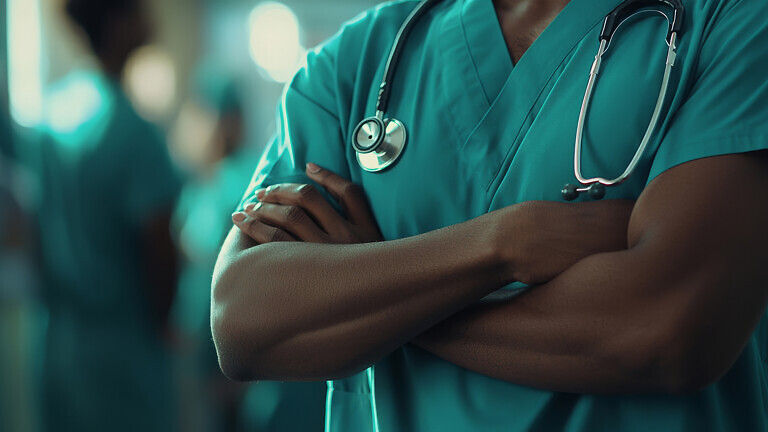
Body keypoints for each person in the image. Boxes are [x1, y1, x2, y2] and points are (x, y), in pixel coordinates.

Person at [212, 0, 768, 431]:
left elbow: (667, 330)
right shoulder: (349, 70)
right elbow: (243, 322)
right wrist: (506, 242)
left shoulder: (732, 23)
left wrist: (370, 289)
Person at [37, 0, 182, 431]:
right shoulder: (133, 132)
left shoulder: (51, 118)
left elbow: (36, 232)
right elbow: (158, 249)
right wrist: (165, 326)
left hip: (58, 343)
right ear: (118, 23)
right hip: (123, 353)